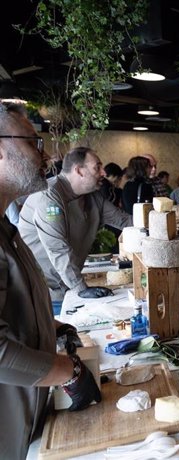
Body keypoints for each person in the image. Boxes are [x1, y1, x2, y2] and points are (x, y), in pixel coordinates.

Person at [0, 103, 101, 459]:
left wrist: (51, 326)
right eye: (32, 141)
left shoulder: (5, 228)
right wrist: (68, 372)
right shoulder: (45, 202)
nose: (45, 153)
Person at [18, 147, 132, 302]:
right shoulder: (49, 197)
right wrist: (80, 288)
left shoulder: (93, 197)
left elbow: (125, 221)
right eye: (97, 167)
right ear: (79, 171)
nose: (103, 173)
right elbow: (57, 248)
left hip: (66, 285)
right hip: (43, 291)